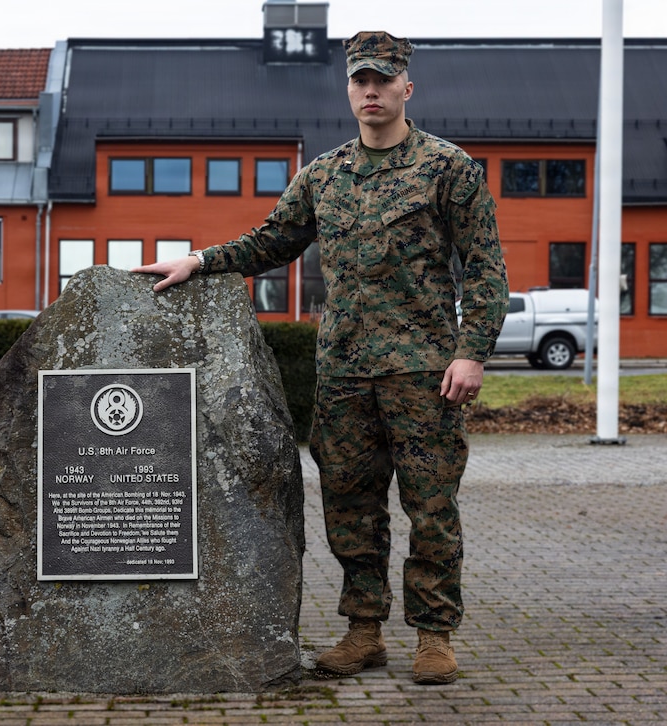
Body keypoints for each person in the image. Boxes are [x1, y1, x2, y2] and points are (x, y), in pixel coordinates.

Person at [132, 31, 509, 685]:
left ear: (405, 89)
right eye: (360, 80)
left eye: (383, 80)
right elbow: (271, 241)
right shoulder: (324, 176)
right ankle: (364, 631)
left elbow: (485, 271)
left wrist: (471, 352)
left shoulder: (449, 170)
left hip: (423, 373)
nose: (371, 90)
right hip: (343, 374)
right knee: (349, 506)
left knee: (431, 507)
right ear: (348, 89)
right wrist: (198, 260)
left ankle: (434, 636)